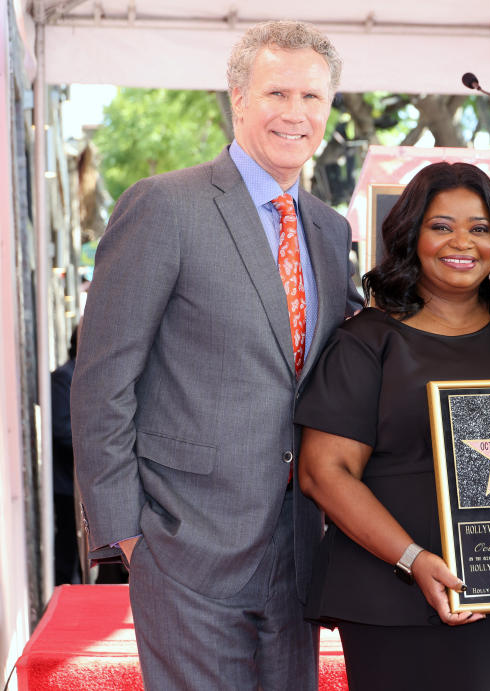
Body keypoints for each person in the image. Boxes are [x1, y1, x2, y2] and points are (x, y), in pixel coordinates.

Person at [71, 20, 362, 690]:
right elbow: (103, 378)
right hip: (183, 543)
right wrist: (130, 536)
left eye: (312, 98)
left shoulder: (328, 227)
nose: (295, 113)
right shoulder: (164, 206)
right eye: (276, 93)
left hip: (296, 547)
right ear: (237, 98)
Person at [294, 162, 490, 691]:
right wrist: (413, 561)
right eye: (440, 226)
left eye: (480, 228)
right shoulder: (366, 341)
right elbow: (323, 473)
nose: (461, 242)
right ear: (410, 236)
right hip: (397, 602)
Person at [51, 326, 80, 585]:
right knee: (69, 553)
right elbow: (62, 430)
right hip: (67, 485)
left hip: (83, 483)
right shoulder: (63, 378)